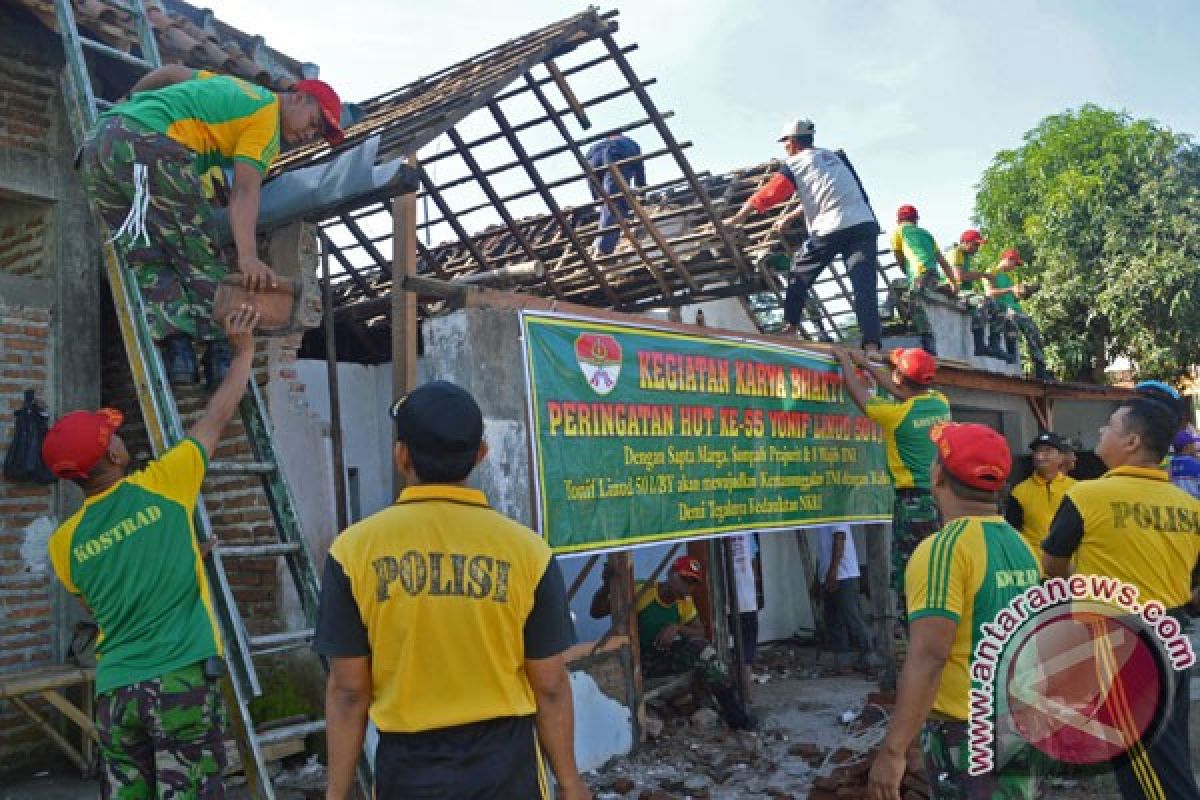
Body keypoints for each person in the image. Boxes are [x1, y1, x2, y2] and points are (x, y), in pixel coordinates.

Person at [313, 381, 589, 800]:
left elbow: (349, 690)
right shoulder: (528, 552)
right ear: (481, 454)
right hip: (506, 768)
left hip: (408, 772)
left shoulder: (353, 551)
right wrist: (570, 783)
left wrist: (336, 793)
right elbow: (550, 685)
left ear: (401, 456)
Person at [44, 306, 261, 799]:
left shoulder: (65, 543)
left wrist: (185, 555)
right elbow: (218, 413)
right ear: (116, 456)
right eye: (114, 435)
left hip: (115, 693)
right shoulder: (165, 486)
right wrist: (244, 352)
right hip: (180, 681)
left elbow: (101, 603)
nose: (120, 437)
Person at [80, 65, 344, 388]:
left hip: (98, 145)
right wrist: (247, 256)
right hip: (150, 145)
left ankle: (178, 352)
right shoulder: (267, 121)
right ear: (298, 98)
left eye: (316, 134)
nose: (309, 134)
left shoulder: (235, 88)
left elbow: (170, 72)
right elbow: (245, 192)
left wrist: (129, 99)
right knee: (199, 251)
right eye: (314, 123)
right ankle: (219, 352)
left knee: (146, 252)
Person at [867, 422, 1042, 800]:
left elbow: (929, 656)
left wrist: (894, 749)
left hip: (967, 731)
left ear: (938, 475)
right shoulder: (1022, 546)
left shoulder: (942, 551)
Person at [1043, 397, 1200, 800]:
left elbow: (1053, 565)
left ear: (1131, 441)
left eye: (1110, 426)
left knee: (1144, 762)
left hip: (1121, 637)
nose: (1100, 432)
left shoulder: (1087, 497)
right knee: (1166, 748)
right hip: (1172, 630)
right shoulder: (1188, 506)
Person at [728, 118, 882, 350]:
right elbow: (829, 193)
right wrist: (790, 218)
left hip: (830, 228)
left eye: (785, 143)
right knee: (864, 286)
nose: (785, 148)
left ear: (791, 142)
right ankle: (872, 346)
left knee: (798, 275)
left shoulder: (796, 163)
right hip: (863, 224)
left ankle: (790, 329)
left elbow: (768, 194)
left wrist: (737, 219)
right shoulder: (833, 158)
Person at [837, 347, 951, 627]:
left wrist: (845, 362)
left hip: (911, 502)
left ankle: (916, 636)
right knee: (936, 570)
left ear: (900, 377)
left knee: (912, 574)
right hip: (940, 499)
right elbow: (900, 389)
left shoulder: (896, 416)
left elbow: (859, 395)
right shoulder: (940, 402)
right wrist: (867, 364)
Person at [590, 555, 753, 730]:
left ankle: (736, 716)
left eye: (692, 583)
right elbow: (597, 612)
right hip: (636, 660)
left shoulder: (685, 603)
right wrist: (607, 586)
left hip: (661, 657)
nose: (687, 587)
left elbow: (701, 632)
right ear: (671, 574)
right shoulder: (642, 590)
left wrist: (678, 628)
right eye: (684, 579)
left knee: (704, 651)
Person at [889, 205, 956, 354]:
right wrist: (953, 282)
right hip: (932, 275)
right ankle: (908, 320)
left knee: (908, 294)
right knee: (907, 291)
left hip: (920, 274)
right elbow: (942, 261)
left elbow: (899, 259)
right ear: (916, 220)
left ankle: (926, 337)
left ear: (898, 220)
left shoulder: (898, 231)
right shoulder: (926, 234)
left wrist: (908, 273)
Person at [813, 525, 875, 672]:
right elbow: (822, 551)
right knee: (833, 619)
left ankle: (870, 657)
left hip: (844, 574)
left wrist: (833, 571)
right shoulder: (819, 519)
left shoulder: (836, 513)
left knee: (852, 617)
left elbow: (839, 540)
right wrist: (818, 578)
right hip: (828, 574)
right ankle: (843, 661)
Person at [1004, 431, 1076, 556]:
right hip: (1033, 566)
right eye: (1037, 451)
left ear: (1060, 457)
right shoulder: (1019, 491)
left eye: (1047, 451)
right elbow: (1011, 532)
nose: (1040, 456)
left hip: (1068, 566)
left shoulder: (1075, 488)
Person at [986, 249, 1049, 380]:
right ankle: (1035, 368)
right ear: (1008, 259)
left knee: (1035, 333)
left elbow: (1012, 298)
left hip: (1015, 309)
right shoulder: (991, 272)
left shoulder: (1007, 277)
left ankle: (1040, 369)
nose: (1015, 267)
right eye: (1015, 264)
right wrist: (1011, 289)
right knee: (1026, 328)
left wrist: (1026, 292)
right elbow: (990, 293)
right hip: (1003, 309)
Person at [945, 230, 1006, 359]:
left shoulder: (965, 256)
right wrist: (984, 275)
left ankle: (994, 345)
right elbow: (960, 276)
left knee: (1000, 307)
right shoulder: (956, 252)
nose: (977, 249)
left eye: (978, 245)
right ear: (965, 243)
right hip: (951, 289)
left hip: (964, 291)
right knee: (982, 301)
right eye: (975, 245)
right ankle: (979, 345)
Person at [585, 132, 646, 257]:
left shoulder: (596, 145)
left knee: (605, 204)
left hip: (592, 160)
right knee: (616, 204)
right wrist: (642, 193)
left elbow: (590, 178)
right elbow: (640, 171)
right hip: (617, 156)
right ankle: (603, 249)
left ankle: (597, 243)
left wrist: (597, 199)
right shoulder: (630, 143)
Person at [729, 534, 762, 694]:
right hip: (746, 600)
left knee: (737, 648)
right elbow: (753, 564)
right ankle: (746, 691)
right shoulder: (747, 534)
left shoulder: (716, 533)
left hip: (728, 602)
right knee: (747, 648)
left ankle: (740, 688)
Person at [1170, 427, 1200, 499]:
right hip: (1195, 506)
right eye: (1193, 444)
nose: (1195, 447)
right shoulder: (1196, 464)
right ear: (1187, 447)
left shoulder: (1170, 464)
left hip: (1178, 505)